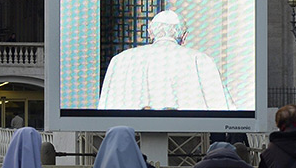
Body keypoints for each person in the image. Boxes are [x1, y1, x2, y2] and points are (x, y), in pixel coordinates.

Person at [97, 10, 240, 111]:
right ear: (184, 37)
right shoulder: (201, 60)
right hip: (191, 147)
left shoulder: (121, 60)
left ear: (150, 33)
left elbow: (105, 110)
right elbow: (224, 109)